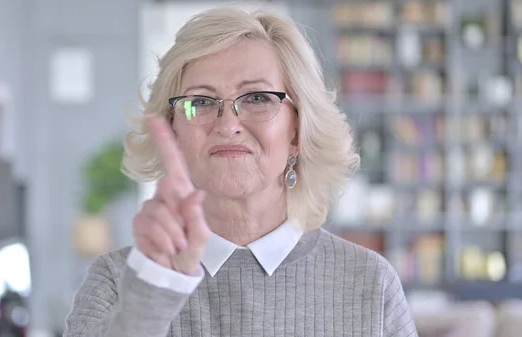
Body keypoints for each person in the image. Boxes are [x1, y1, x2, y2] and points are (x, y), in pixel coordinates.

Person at [64, 6, 418, 337]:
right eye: (200, 102)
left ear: (297, 131)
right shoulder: (115, 282)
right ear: (173, 132)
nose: (228, 124)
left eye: (258, 98)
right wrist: (152, 298)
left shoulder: (371, 285)